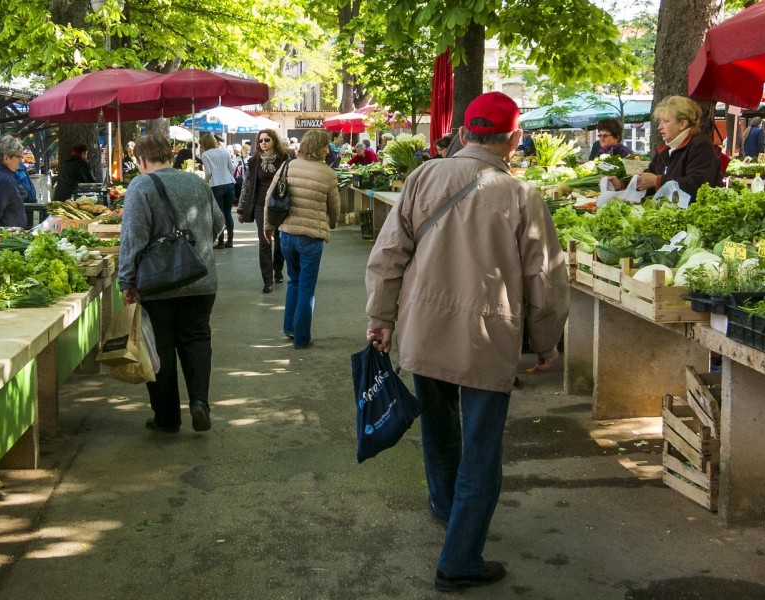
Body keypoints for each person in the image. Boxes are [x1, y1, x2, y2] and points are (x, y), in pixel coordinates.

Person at [364, 91, 570, 593]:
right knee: (482, 449)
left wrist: (381, 317)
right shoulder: (522, 196)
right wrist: (545, 343)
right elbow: (545, 279)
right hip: (486, 338)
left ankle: (444, 504)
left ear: (461, 134)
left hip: (424, 329)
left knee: (438, 430)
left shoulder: (422, 177)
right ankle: (459, 559)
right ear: (514, 140)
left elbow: (389, 253)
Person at [118, 134, 225, 434]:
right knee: (197, 340)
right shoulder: (197, 183)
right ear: (170, 154)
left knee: (159, 349)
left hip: (157, 284)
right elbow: (218, 224)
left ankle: (167, 417)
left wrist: (126, 280)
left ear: (141, 160)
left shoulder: (141, 186)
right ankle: (200, 403)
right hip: (201, 279)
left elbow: (133, 238)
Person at [262, 130, 339, 349]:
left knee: (294, 281)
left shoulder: (288, 166)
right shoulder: (327, 173)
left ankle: (289, 327)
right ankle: (302, 338)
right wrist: (331, 224)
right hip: (311, 238)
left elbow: (270, 196)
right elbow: (334, 207)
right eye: (326, 146)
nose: (328, 150)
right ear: (319, 147)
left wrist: (269, 225)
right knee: (306, 287)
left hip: (286, 235)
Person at [608, 96, 724, 198]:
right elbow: (647, 177)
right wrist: (622, 184)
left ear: (682, 124)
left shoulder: (700, 146)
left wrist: (657, 181)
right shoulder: (666, 149)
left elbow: (697, 185)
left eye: (665, 121)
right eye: (660, 122)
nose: (659, 127)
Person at [237, 129, 290, 293]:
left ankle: (278, 269)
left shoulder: (285, 159)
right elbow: (246, 185)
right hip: (261, 206)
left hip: (280, 205)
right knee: (264, 242)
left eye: (267, 140)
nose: (263, 143)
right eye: (260, 141)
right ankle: (267, 281)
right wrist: (241, 208)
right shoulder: (254, 162)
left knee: (280, 241)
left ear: (274, 140)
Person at [199, 133, 238, 249]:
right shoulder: (225, 151)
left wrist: (205, 182)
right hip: (230, 183)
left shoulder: (205, 155)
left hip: (216, 185)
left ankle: (221, 241)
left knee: (219, 214)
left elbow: (209, 173)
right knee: (228, 213)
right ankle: (230, 240)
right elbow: (231, 168)